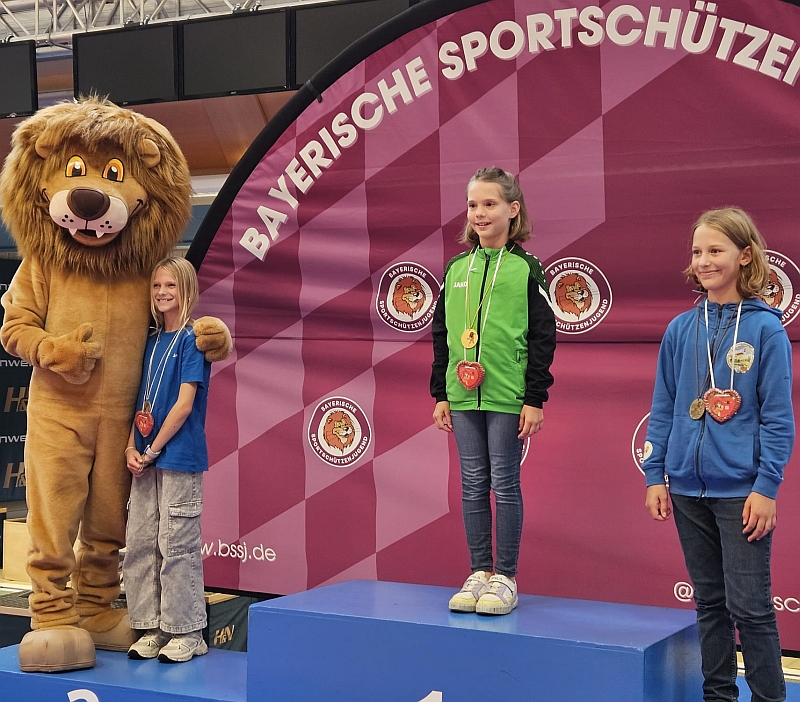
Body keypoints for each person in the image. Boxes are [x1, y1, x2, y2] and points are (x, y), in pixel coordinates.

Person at [643, 208, 794, 702]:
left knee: (750, 608)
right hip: (687, 490)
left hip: (742, 494)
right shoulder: (680, 329)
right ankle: (718, 697)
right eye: (697, 252)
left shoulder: (766, 330)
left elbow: (778, 418)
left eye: (715, 250)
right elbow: (663, 407)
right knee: (710, 604)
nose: (704, 261)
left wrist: (766, 487)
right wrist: (655, 475)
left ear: (744, 255)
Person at [431, 167, 556, 615]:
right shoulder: (456, 268)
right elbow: (442, 334)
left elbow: (543, 337)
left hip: (507, 393)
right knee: (471, 484)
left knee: (504, 482)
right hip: (462, 394)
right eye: (473, 205)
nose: (480, 213)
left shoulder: (526, 268)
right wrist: (440, 393)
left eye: (490, 204)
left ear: (512, 209)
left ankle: (505, 576)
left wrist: (534, 398)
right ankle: (479, 572)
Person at [124, 256, 212, 663]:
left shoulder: (194, 339)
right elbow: (140, 403)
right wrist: (131, 446)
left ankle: (188, 631)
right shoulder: (152, 340)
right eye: (157, 285)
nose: (162, 293)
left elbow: (183, 405)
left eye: (170, 286)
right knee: (141, 543)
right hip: (145, 458)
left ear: (186, 289)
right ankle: (153, 626)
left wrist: (152, 449)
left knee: (176, 544)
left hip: (177, 456)